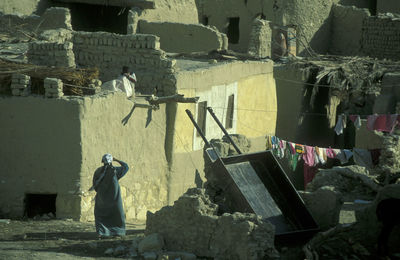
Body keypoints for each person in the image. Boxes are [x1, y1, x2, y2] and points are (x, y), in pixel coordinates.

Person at [90, 154, 129, 238]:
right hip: (114, 198)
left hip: (102, 198)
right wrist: (117, 160)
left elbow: (95, 184)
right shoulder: (115, 171)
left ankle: (101, 232)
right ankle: (118, 232)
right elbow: (126, 167)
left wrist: (102, 192)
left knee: (100, 214)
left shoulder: (98, 171)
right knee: (117, 214)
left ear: (102, 161)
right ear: (111, 161)